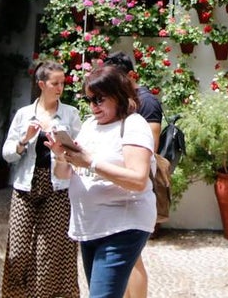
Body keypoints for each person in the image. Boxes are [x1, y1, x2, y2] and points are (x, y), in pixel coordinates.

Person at [50, 65, 155, 298]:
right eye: (89, 99)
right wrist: (60, 155)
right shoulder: (89, 126)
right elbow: (63, 174)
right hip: (91, 226)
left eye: (99, 99)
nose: (93, 105)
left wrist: (90, 162)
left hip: (122, 225)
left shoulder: (134, 124)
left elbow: (138, 179)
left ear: (118, 96)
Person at [0, 60, 83, 298]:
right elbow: (7, 155)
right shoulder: (24, 114)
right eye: (54, 83)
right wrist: (24, 140)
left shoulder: (70, 113)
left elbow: (80, 153)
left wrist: (64, 148)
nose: (59, 88)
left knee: (50, 251)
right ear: (41, 84)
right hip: (26, 185)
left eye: (62, 83)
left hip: (58, 187)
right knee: (17, 250)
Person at [101, 51, 163, 298]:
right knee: (125, 258)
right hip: (120, 184)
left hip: (135, 188)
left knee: (132, 257)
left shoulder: (146, 102)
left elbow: (150, 150)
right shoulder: (128, 101)